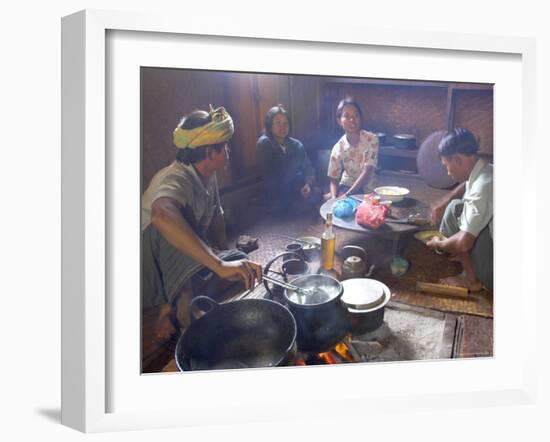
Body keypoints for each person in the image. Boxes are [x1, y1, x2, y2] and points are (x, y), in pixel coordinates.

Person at [141, 105, 262, 341]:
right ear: (209, 152)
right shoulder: (174, 177)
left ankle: (182, 302)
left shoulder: (208, 176)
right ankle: (182, 316)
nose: (228, 152)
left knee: (239, 263)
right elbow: (162, 215)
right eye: (224, 147)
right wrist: (218, 264)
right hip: (149, 271)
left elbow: (216, 214)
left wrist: (225, 256)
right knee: (175, 223)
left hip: (180, 266)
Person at [426, 128, 493, 291]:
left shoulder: (481, 188)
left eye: (446, 165)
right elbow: (467, 183)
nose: (447, 172)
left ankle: (472, 279)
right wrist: (444, 200)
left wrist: (439, 244)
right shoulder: (488, 169)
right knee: (454, 206)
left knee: (456, 221)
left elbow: (463, 243)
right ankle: (471, 263)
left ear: (457, 159)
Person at [256, 104, 321, 215]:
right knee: (283, 206)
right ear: (269, 125)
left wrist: (307, 185)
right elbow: (274, 175)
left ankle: (300, 204)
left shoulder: (296, 145)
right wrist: (297, 185)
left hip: (296, 187)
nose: (283, 127)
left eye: (285, 123)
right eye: (278, 123)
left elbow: (308, 168)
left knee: (315, 193)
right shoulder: (264, 143)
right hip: (276, 191)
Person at [326, 98, 379, 199]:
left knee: (363, 209)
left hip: (368, 187)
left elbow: (367, 172)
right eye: (347, 116)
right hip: (346, 185)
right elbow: (334, 181)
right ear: (339, 121)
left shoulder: (372, 139)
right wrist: (333, 198)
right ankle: (329, 197)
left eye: (356, 115)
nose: (352, 120)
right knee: (340, 207)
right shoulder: (338, 148)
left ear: (360, 118)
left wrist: (347, 195)